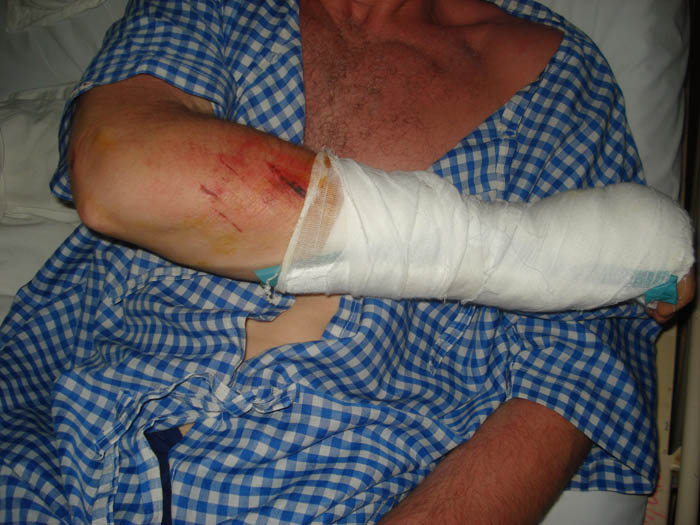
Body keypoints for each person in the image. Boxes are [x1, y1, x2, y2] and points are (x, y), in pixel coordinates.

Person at [0, 0, 693, 523]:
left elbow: (572, 381)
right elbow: (120, 169)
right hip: (51, 446)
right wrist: (518, 250)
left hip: (335, 490)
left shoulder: (558, 77)